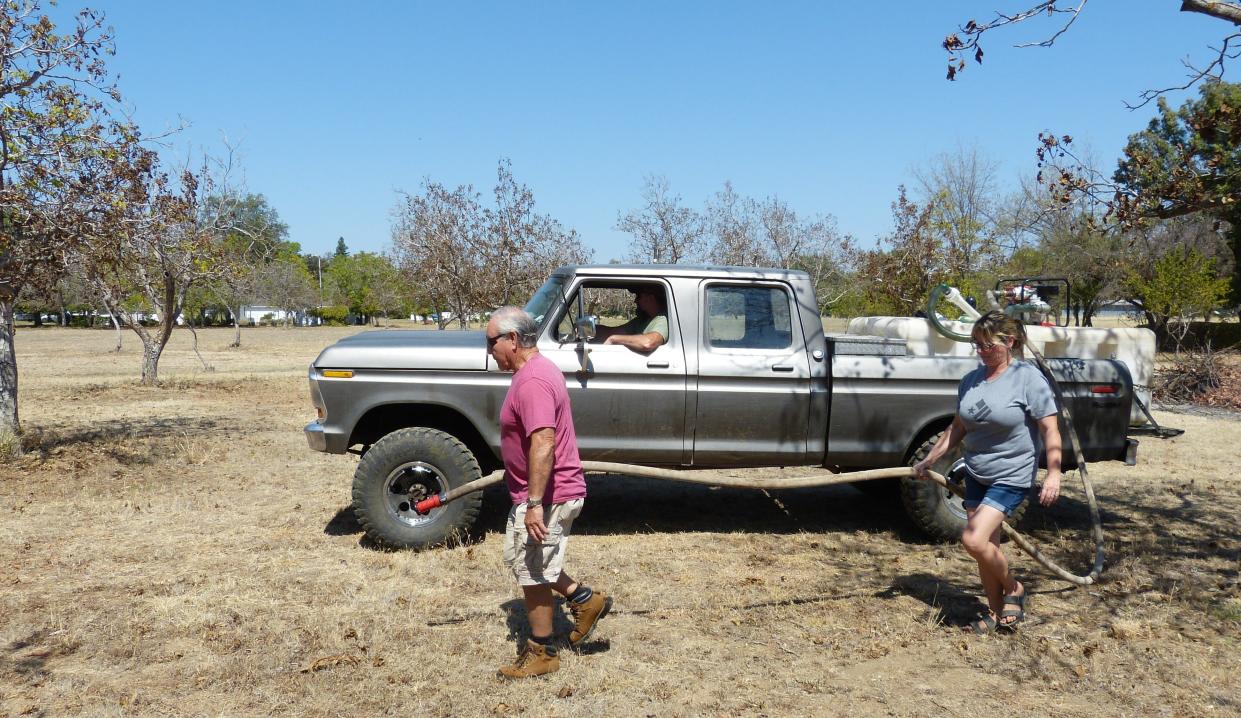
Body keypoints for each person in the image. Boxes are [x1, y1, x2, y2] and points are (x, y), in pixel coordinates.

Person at [913, 310, 1062, 634]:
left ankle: (1013, 588)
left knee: (973, 538)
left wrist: (1053, 472)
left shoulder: (1028, 379)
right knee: (985, 549)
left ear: (1009, 342)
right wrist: (929, 459)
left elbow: (1050, 429)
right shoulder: (972, 380)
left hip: (1011, 474)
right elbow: (957, 428)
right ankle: (995, 613)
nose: (980, 351)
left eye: (986, 345)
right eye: (976, 345)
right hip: (977, 472)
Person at [485, 306, 612, 679]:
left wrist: (535, 504)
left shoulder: (534, 380)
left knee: (532, 571)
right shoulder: (535, 372)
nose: (490, 350)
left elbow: (543, 442)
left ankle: (543, 653)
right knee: (524, 559)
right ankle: (585, 600)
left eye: (491, 342)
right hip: (538, 492)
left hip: (548, 494)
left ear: (512, 339)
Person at [592, 284, 668, 351]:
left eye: (639, 296)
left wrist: (613, 339)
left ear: (650, 298)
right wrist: (589, 330)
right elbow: (611, 332)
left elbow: (648, 343)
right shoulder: (642, 320)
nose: (635, 301)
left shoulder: (662, 319)